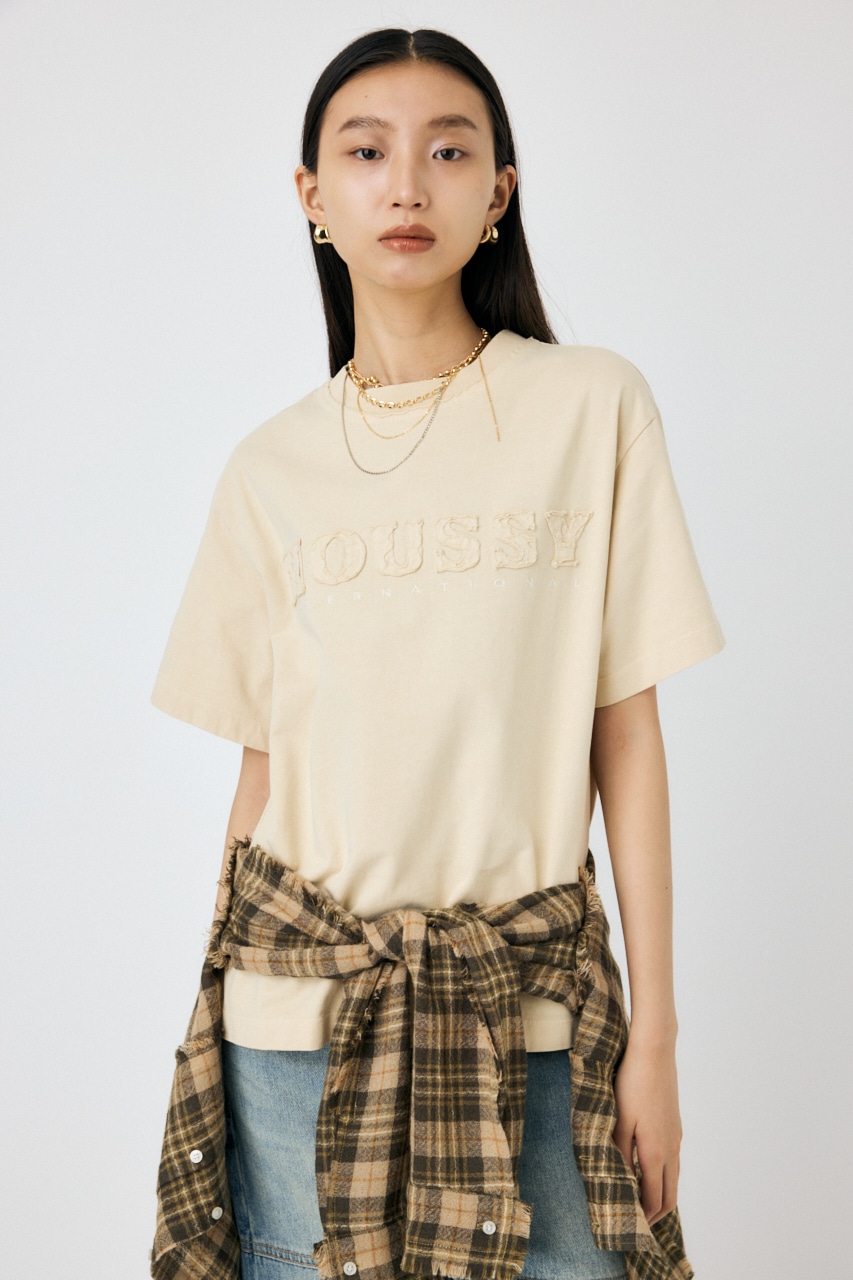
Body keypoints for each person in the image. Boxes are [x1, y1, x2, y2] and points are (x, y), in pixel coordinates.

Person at [148, 27, 724, 1280]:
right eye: (366, 153)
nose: (406, 184)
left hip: (531, 1014)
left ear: (498, 193)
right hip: (294, 1025)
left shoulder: (591, 407)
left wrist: (658, 1036)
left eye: (448, 152)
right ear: (313, 196)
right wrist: (207, 1011)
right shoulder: (267, 468)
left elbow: (627, 736)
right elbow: (263, 773)